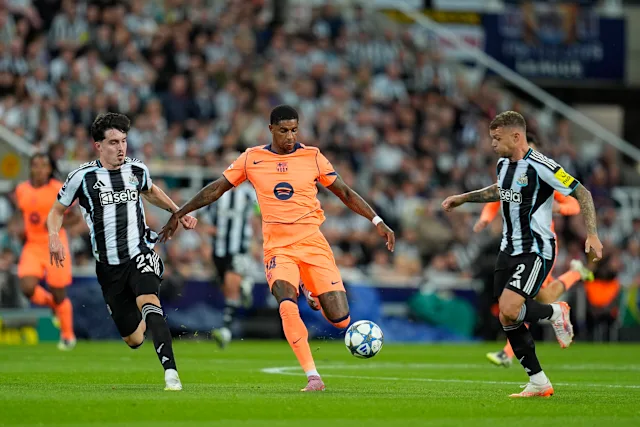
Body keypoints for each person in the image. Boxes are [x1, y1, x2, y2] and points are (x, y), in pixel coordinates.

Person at [159, 105, 395, 392]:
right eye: (284, 130)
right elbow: (217, 188)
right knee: (285, 302)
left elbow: (344, 191)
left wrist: (377, 220)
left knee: (340, 320)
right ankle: (313, 376)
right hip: (278, 249)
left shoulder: (313, 157)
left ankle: (310, 289)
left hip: (313, 244)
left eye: (294, 130)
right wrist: (179, 212)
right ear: (271, 129)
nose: (290, 136)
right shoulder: (252, 158)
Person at [442, 111, 603, 398]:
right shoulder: (503, 164)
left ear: (516, 136)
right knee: (507, 317)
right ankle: (539, 381)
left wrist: (592, 234)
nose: (492, 144)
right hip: (508, 249)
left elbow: (583, 193)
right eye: (491, 138)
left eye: (497, 138)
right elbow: (499, 190)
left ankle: (556, 311)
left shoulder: (543, 166)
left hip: (535, 250)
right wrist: (464, 198)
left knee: (510, 309)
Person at [48, 112, 198, 391]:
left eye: (124, 141)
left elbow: (150, 191)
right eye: (114, 142)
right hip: (108, 267)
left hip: (140, 253)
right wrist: (54, 236)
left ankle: (171, 373)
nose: (121, 148)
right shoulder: (81, 177)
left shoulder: (136, 170)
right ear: (98, 146)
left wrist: (178, 212)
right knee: (134, 339)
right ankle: (143, 318)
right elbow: (57, 211)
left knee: (150, 301)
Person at [473, 134, 595, 367]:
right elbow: (496, 196)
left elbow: (574, 203)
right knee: (537, 299)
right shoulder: (510, 172)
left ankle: (508, 353)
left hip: (539, 247)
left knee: (525, 298)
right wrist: (485, 219)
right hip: (515, 247)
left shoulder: (542, 174)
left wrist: (558, 208)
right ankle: (576, 273)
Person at [15, 153, 78, 350]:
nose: (40, 169)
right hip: (32, 245)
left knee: (59, 292)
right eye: (36, 165)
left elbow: (74, 217)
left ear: (50, 169)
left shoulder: (58, 189)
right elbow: (22, 213)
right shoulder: (22, 189)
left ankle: (67, 336)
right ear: (31, 168)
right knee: (27, 287)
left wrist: (53, 224)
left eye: (44, 165)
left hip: (55, 244)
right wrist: (19, 228)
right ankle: (54, 306)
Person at [200, 153, 260, 348]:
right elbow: (202, 217)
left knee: (231, 283)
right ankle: (244, 286)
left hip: (239, 247)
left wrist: (257, 241)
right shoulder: (217, 191)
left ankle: (225, 330)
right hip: (219, 249)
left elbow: (258, 218)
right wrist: (207, 235)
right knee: (226, 287)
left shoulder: (250, 193)